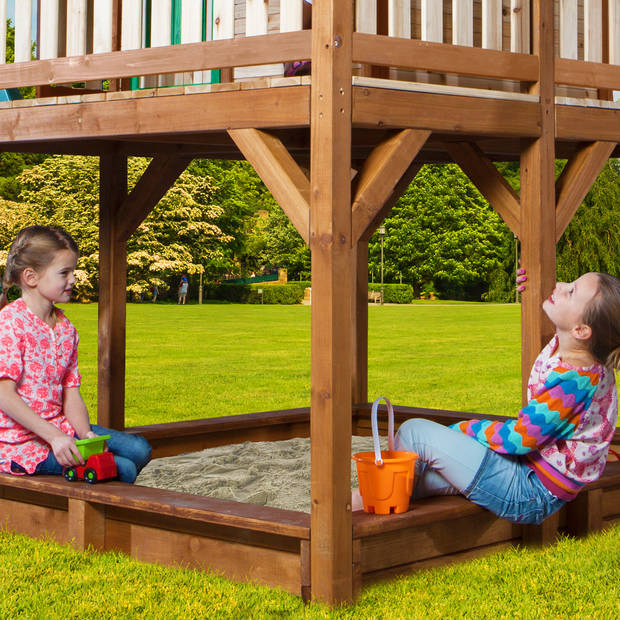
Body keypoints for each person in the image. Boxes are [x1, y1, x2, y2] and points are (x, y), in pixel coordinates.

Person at [354, 272, 620, 524]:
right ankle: (368, 500)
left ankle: (377, 495)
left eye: (571, 291)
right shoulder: (583, 354)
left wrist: (464, 430)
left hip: (528, 490)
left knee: (415, 433)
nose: (561, 284)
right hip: (529, 475)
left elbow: (519, 439)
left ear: (582, 331)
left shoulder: (572, 384)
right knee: (408, 482)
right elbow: (557, 311)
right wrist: (532, 287)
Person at [0, 225, 151, 483]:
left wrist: (84, 434)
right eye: (64, 273)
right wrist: (54, 437)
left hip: (62, 428)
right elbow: (4, 396)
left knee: (140, 449)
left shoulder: (66, 329)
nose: (73, 279)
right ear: (31, 277)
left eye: (73, 271)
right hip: (18, 442)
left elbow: (71, 391)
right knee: (123, 468)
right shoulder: (10, 324)